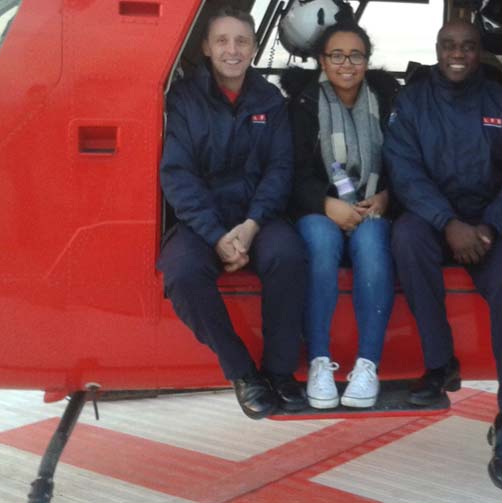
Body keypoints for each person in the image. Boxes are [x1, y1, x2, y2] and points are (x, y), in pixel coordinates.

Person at [384, 20, 502, 491]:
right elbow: (403, 170)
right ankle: (440, 363)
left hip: (491, 226)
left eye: (468, 47)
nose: (458, 54)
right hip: (435, 223)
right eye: (449, 45)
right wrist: (447, 223)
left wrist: (488, 226)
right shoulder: (412, 102)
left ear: (479, 53)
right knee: (405, 238)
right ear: (436, 49)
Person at [157, 7, 307, 420]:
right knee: (183, 274)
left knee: (289, 256)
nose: (232, 50)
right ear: (205, 47)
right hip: (201, 221)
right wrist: (215, 235)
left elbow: (280, 170)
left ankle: (278, 372)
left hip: (256, 216)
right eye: (222, 41)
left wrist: (253, 223)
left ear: (255, 48)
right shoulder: (183, 102)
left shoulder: (270, 101)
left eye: (242, 41)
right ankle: (243, 373)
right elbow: (177, 174)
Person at [286, 22, 397, 409]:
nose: (346, 64)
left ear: (367, 61)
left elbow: (407, 164)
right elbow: (293, 173)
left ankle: (367, 365)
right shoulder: (302, 103)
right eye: (336, 55)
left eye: (356, 55)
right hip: (319, 208)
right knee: (320, 239)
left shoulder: (386, 101)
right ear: (322, 60)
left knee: (371, 241)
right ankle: (319, 363)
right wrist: (325, 204)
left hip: (372, 207)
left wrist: (386, 197)